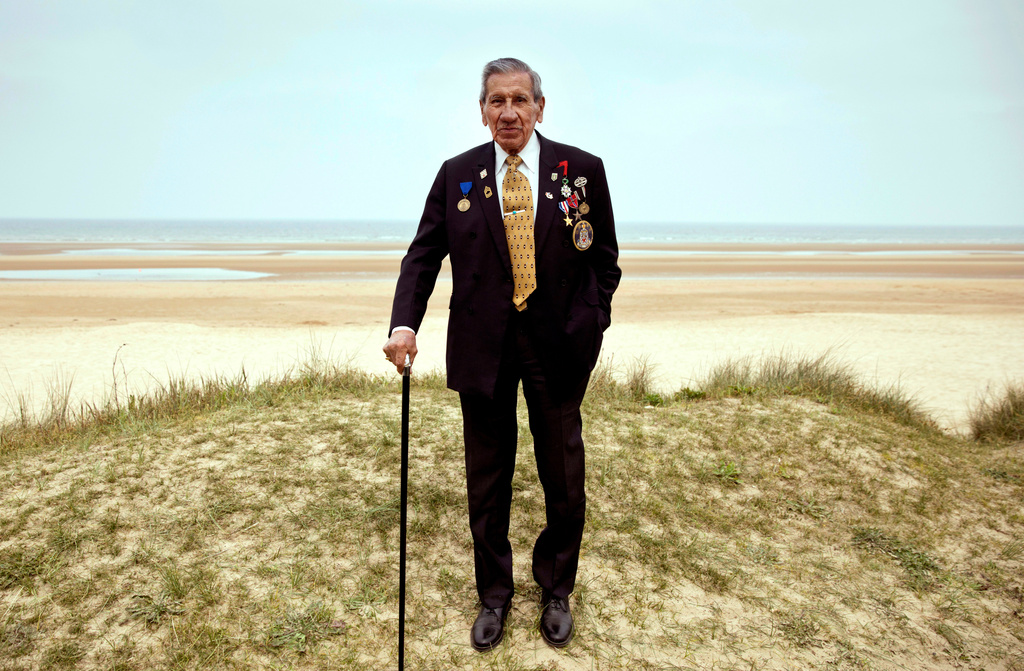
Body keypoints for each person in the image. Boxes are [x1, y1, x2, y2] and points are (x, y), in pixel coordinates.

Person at [383, 57, 620, 651]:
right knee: (487, 479)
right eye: (497, 101)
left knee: (562, 474)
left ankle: (556, 587)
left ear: (540, 107)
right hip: (483, 345)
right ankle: (495, 594)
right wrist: (404, 324)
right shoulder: (457, 174)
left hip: (559, 345)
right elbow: (423, 256)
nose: (508, 112)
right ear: (482, 109)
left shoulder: (580, 171)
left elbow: (605, 259)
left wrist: (592, 320)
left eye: (520, 100)